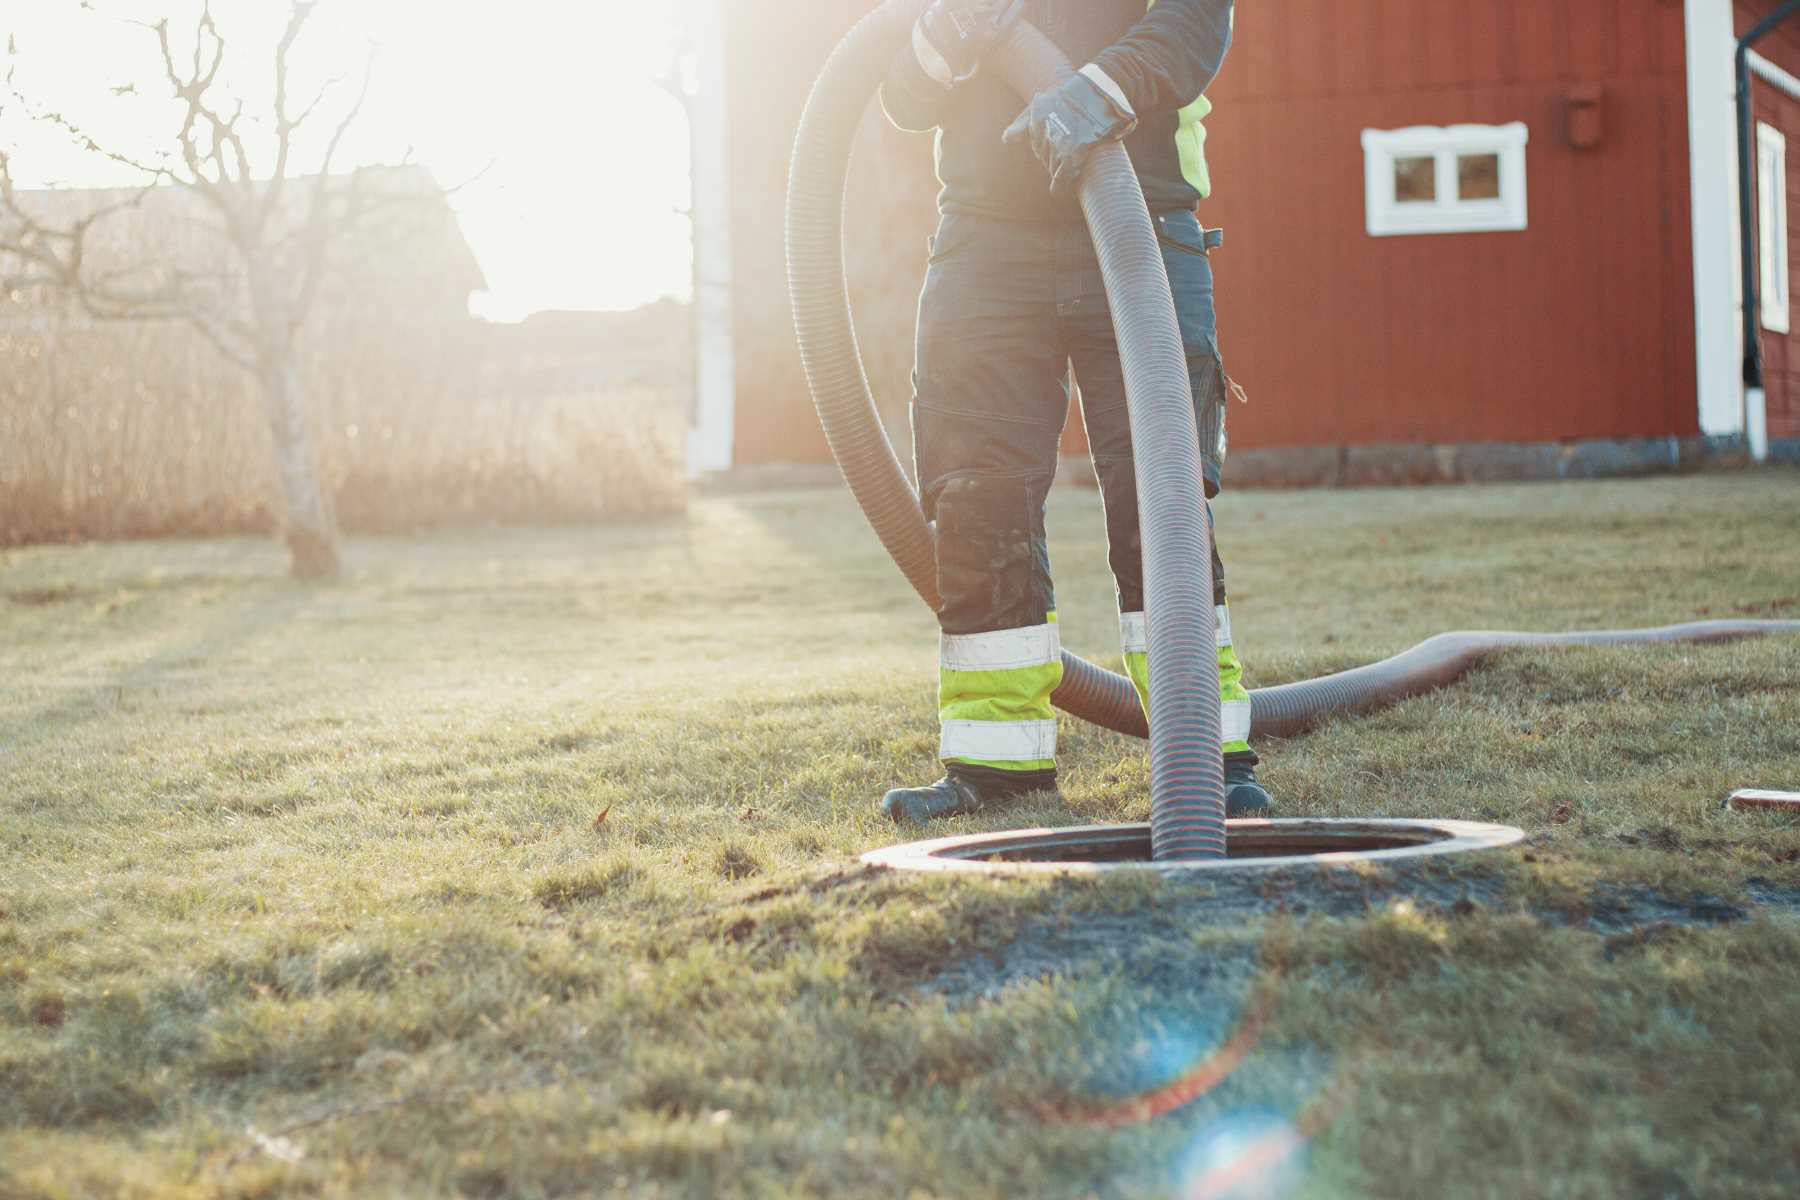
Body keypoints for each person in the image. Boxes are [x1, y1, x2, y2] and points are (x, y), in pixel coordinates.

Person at [876, 0, 1272, 824]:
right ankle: (996, 767)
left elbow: (1196, 24)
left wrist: (1095, 90)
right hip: (986, 241)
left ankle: (1209, 756)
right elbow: (905, 97)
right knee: (975, 497)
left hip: (1139, 216)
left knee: (1158, 494)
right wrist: (940, 39)